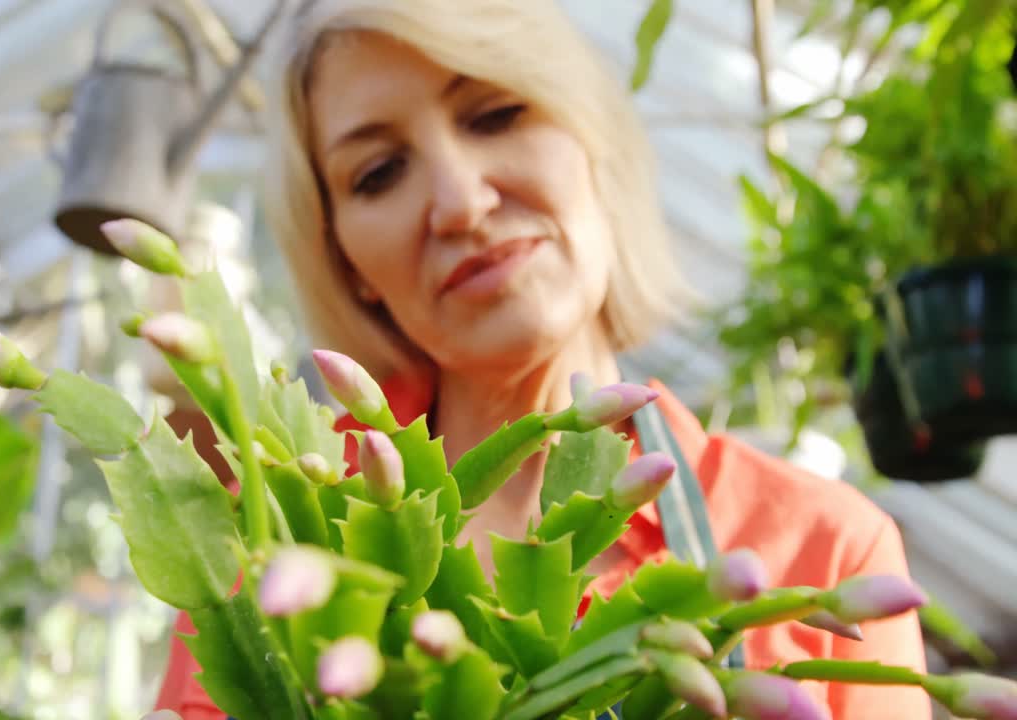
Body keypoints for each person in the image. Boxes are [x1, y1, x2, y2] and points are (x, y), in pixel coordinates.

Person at [154, 1, 931, 717]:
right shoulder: (267, 553)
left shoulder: (824, 552)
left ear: (589, 139)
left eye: (495, 115)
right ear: (345, 259)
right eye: (379, 173)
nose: (460, 202)